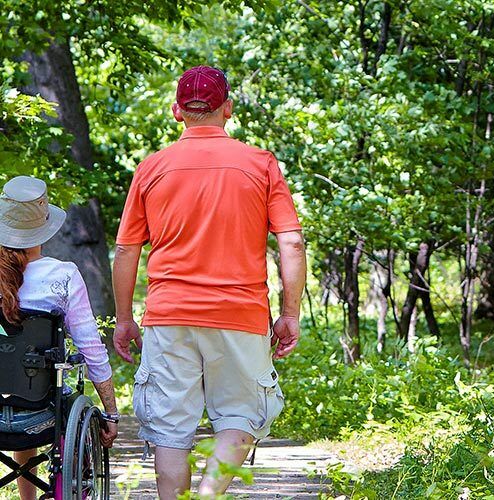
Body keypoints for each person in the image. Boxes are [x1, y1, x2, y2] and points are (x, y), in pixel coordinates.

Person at [111, 65, 307, 499]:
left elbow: (127, 251)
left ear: (177, 111)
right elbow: (291, 243)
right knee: (239, 418)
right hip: (240, 316)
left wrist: (124, 318)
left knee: (169, 431)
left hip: (169, 315)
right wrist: (289, 314)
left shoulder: (151, 168)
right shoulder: (260, 164)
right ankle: (208, 494)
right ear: (228, 109)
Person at [0, 176, 118, 500]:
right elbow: (91, 348)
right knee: (39, 386)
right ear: (43, 227)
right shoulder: (62, 275)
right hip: (41, 411)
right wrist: (110, 412)